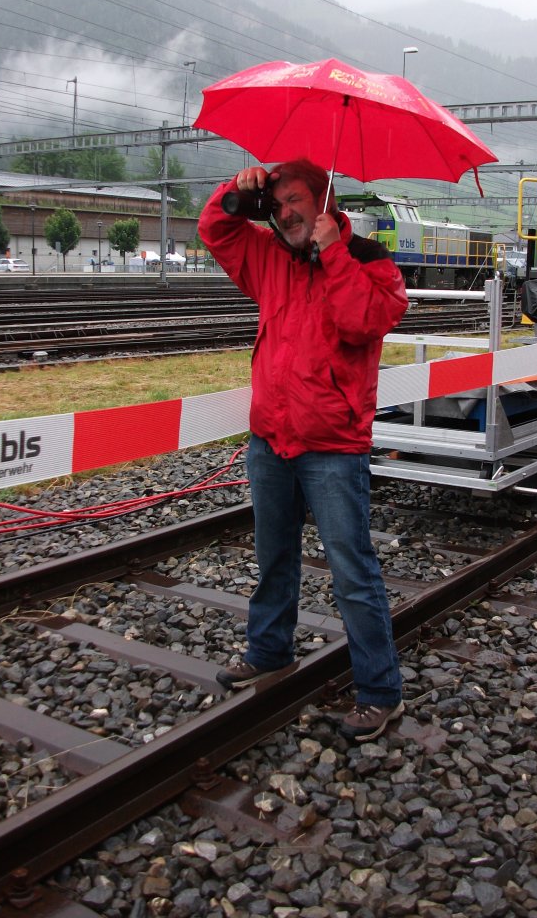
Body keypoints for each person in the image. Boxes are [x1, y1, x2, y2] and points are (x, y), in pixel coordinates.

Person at [198, 158, 408, 741]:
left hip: (333, 447)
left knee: (352, 574)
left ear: (325, 201)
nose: (287, 211)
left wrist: (332, 252)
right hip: (271, 438)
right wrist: (234, 188)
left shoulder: (370, 261)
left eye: (298, 200)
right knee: (274, 559)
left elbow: (362, 322)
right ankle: (269, 652)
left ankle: (379, 692)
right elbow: (214, 229)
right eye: (279, 201)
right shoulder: (268, 257)